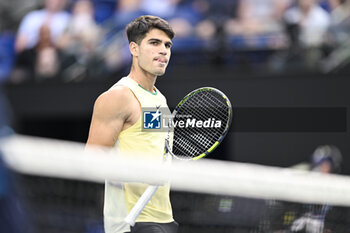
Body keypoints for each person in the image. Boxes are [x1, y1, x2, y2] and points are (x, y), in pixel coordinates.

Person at [86, 15, 177, 233]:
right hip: (131, 221)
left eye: (167, 45)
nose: (163, 50)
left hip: (165, 218)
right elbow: (90, 162)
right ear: (134, 48)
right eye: (154, 43)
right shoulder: (118, 96)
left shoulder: (161, 100)